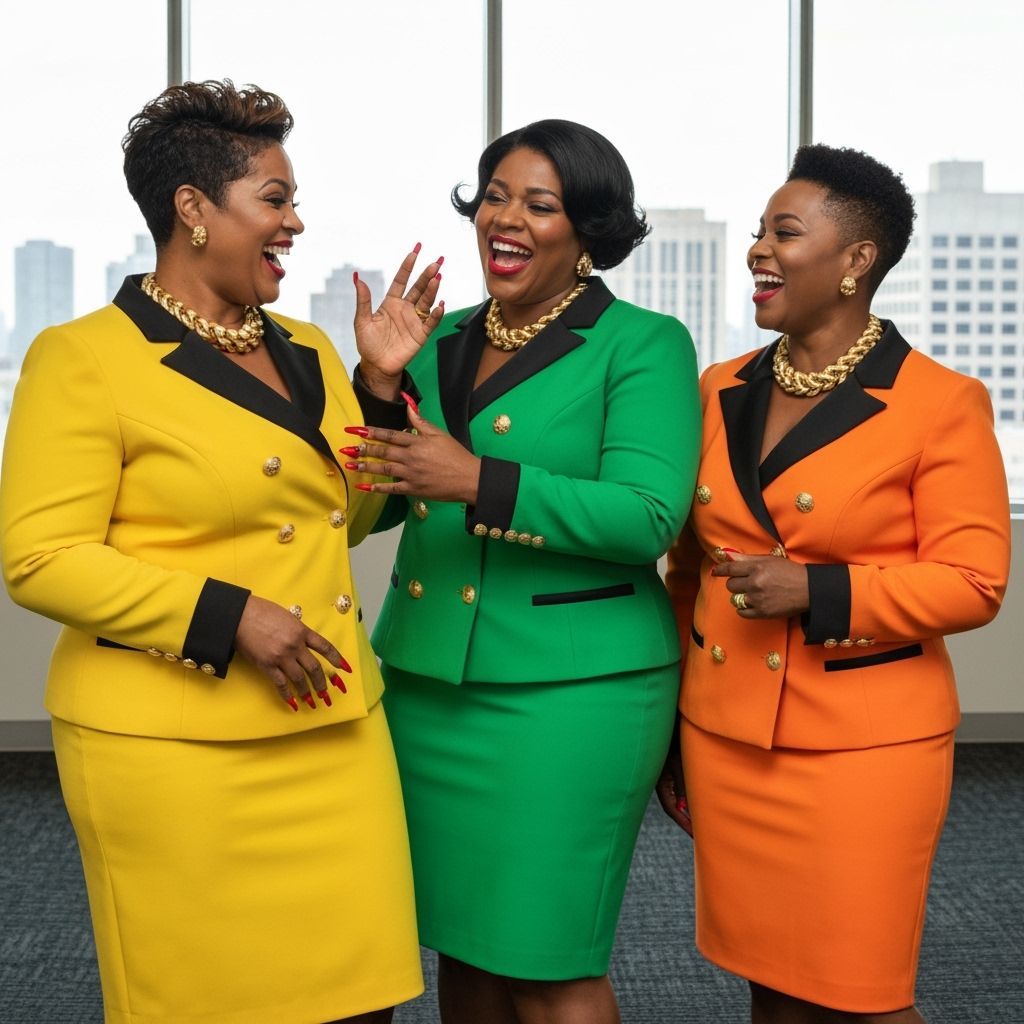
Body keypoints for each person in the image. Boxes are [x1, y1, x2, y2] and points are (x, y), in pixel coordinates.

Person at [0, 80, 444, 1024]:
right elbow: (39, 556)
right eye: (275, 200)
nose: (295, 222)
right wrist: (229, 614)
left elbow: (346, 520)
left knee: (360, 1002)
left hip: (334, 727)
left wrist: (374, 386)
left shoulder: (312, 348)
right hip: (174, 749)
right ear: (193, 210)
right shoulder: (82, 359)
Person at [343, 119, 701, 1024]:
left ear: (587, 230)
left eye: (540, 204)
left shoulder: (643, 344)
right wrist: (378, 386)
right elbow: (363, 511)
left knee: (547, 964)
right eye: (495, 195)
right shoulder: (437, 337)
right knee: (464, 950)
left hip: (574, 692)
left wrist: (479, 480)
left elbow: (648, 516)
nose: (506, 217)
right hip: (429, 682)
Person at [659, 144, 1011, 1023]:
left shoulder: (940, 401)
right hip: (727, 736)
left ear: (857, 261)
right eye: (758, 233)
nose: (757, 252)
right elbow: (689, 570)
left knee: (862, 998)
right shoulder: (718, 388)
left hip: (863, 753)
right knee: (772, 989)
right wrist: (673, 721)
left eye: (785, 233)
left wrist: (818, 591)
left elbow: (974, 582)